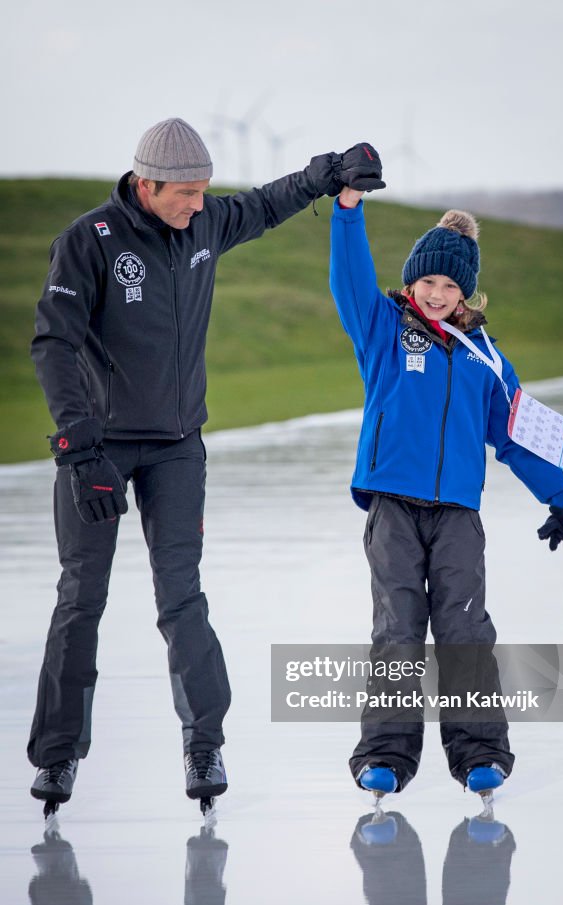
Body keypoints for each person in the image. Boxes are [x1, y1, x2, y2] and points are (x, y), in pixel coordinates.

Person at [28, 117, 382, 814]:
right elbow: (54, 345)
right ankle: (59, 755)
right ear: (146, 184)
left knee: (181, 597)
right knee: (80, 599)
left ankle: (203, 744)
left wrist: (330, 170)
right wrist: (78, 448)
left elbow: (267, 204)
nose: (197, 206)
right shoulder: (88, 242)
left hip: (176, 446)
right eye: (185, 194)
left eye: (203, 193)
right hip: (97, 449)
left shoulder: (205, 225)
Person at [329, 182, 563, 803]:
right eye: (427, 282)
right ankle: (384, 755)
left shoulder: (486, 358)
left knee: (465, 631)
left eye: (450, 287)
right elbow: (350, 280)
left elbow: (516, 437)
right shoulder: (383, 329)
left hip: (457, 515)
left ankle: (481, 753)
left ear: (466, 295)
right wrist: (347, 212)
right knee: (398, 629)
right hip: (393, 509)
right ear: (412, 281)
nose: (436, 294)